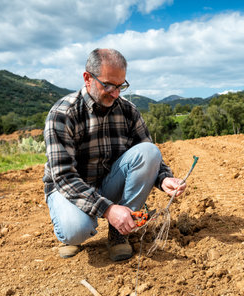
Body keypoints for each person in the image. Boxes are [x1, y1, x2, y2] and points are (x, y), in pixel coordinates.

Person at [43, 48, 186, 261]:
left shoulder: (128, 111)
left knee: (150, 151)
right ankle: (70, 234)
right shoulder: (62, 115)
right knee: (75, 230)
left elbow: (145, 150)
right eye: (108, 85)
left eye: (121, 86)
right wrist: (108, 209)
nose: (115, 93)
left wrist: (163, 178)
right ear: (87, 78)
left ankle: (119, 232)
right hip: (71, 190)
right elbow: (64, 178)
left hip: (108, 182)